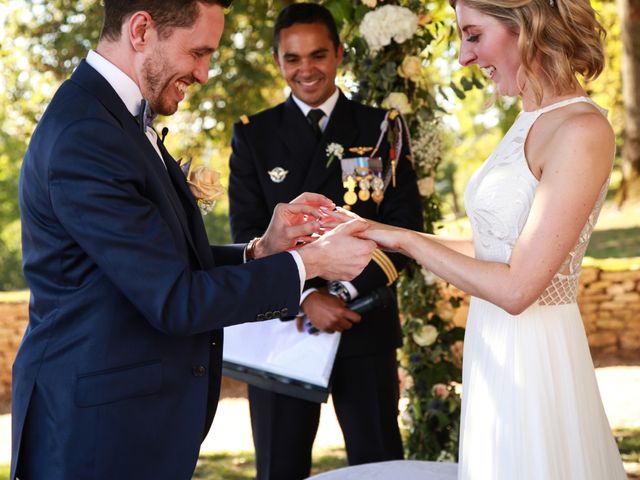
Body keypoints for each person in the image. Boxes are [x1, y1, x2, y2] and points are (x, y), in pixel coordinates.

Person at [11, 1, 378, 479]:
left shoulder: (112, 118)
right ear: (141, 29)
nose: (204, 74)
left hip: (125, 423)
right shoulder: (87, 133)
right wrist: (310, 264)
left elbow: (164, 263)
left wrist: (260, 250)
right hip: (97, 435)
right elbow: (176, 300)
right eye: (198, 52)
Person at [353, 0, 628, 478]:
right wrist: (386, 234)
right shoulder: (529, 118)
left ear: (527, 26)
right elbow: (495, 250)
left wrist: (410, 243)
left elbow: (518, 288)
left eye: (473, 35)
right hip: (494, 349)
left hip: (534, 356)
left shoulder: (580, 129)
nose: (463, 57)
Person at [228, 3, 423, 479]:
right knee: (280, 466)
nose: (305, 69)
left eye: (318, 55)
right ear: (278, 60)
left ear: (338, 54)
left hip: (364, 324)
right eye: (292, 59)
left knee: (380, 468)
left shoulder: (381, 128)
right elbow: (248, 237)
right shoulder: (253, 136)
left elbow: (405, 231)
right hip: (285, 330)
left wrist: (340, 295)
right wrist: (308, 297)